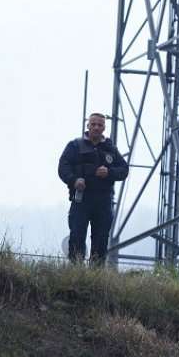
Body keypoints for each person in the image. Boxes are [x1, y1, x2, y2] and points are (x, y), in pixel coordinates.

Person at [58, 113, 129, 264]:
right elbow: (63, 167)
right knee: (77, 235)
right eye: (93, 124)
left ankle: (96, 275)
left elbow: (124, 170)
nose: (96, 127)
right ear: (88, 125)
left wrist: (109, 172)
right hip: (81, 199)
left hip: (103, 201)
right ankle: (76, 272)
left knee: (101, 239)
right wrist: (74, 180)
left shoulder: (110, 149)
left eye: (100, 125)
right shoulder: (75, 146)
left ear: (104, 128)